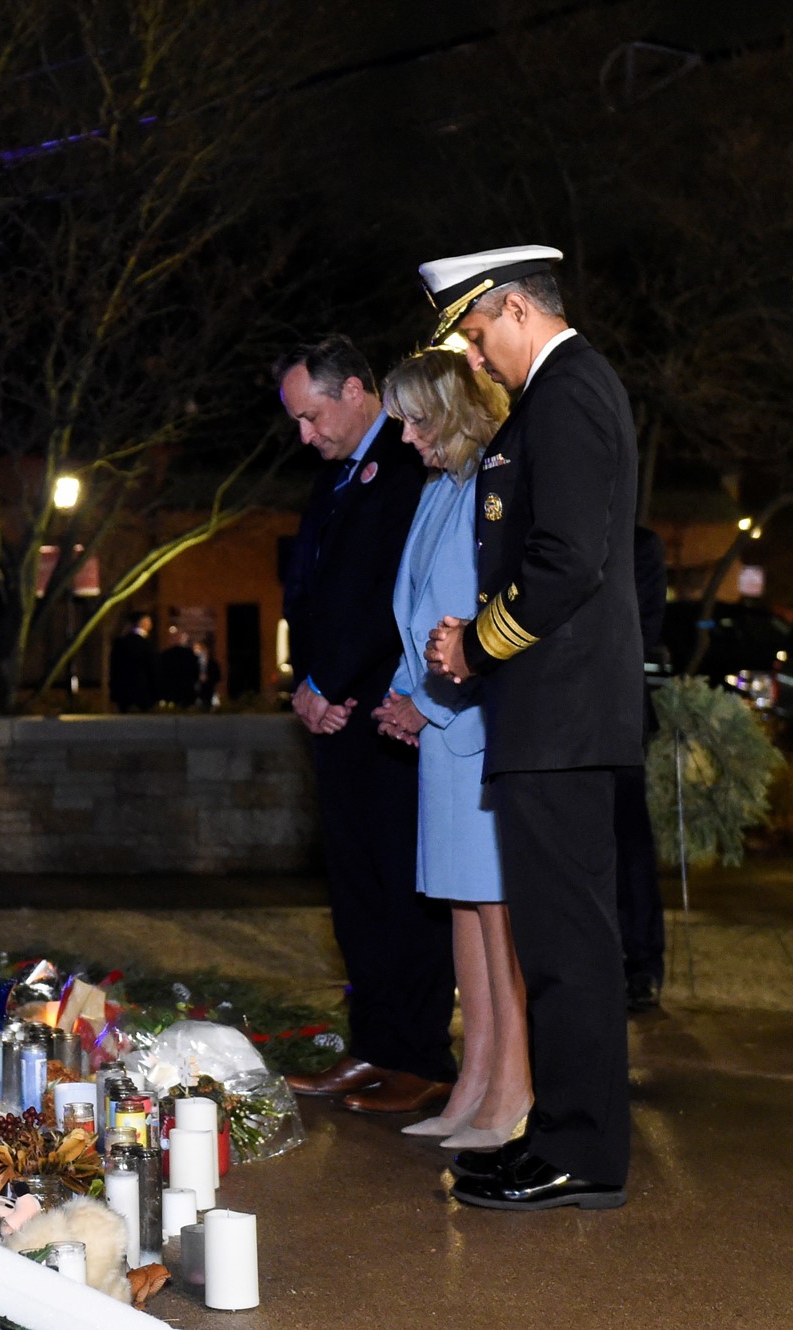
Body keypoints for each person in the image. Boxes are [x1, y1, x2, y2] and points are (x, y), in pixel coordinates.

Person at [421, 244, 641, 1211]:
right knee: (556, 946)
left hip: (564, 718)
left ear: (514, 307)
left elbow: (565, 562)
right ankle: (561, 1137)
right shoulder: (553, 398)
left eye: (475, 335)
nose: (474, 359)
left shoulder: (572, 392)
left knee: (569, 949)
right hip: (549, 719)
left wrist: (477, 644)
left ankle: (582, 1152)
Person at [275, 335, 456, 1114]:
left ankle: (420, 1055)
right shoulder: (338, 476)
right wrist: (305, 686)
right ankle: (375, 1045)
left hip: (389, 712)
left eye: (312, 417)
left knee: (400, 887)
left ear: (354, 390)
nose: (305, 436)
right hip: (336, 711)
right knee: (353, 890)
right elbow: (309, 591)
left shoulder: (409, 463)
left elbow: (396, 595)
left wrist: (335, 683)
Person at [369, 349, 531, 1152]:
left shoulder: (491, 493)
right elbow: (418, 616)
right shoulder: (442, 490)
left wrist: (426, 702)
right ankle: (475, 1079)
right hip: (444, 734)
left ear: (454, 413)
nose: (402, 435)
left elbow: (481, 621)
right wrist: (408, 694)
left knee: (496, 915)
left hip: (474, 730)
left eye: (414, 418)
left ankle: (512, 1088)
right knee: (463, 908)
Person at [618, 526, 667, 1012]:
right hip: (561, 716)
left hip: (620, 713)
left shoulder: (640, 544)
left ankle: (642, 961)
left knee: (629, 840)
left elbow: (646, 630)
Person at [108, 611, 159, 712]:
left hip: (123, 693)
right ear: (143, 622)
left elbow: (114, 669)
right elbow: (153, 670)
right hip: (144, 693)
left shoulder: (120, 643)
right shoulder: (148, 645)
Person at [155, 627, 200, 707]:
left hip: (170, 691)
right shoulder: (190, 654)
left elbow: (160, 673)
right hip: (186, 691)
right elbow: (196, 672)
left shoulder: (165, 655)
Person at [194, 634, 222, 709]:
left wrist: (208, 678)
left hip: (210, 692)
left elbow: (218, 678)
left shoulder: (213, 664)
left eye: (201, 649)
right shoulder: (195, 665)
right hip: (197, 695)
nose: (199, 652)